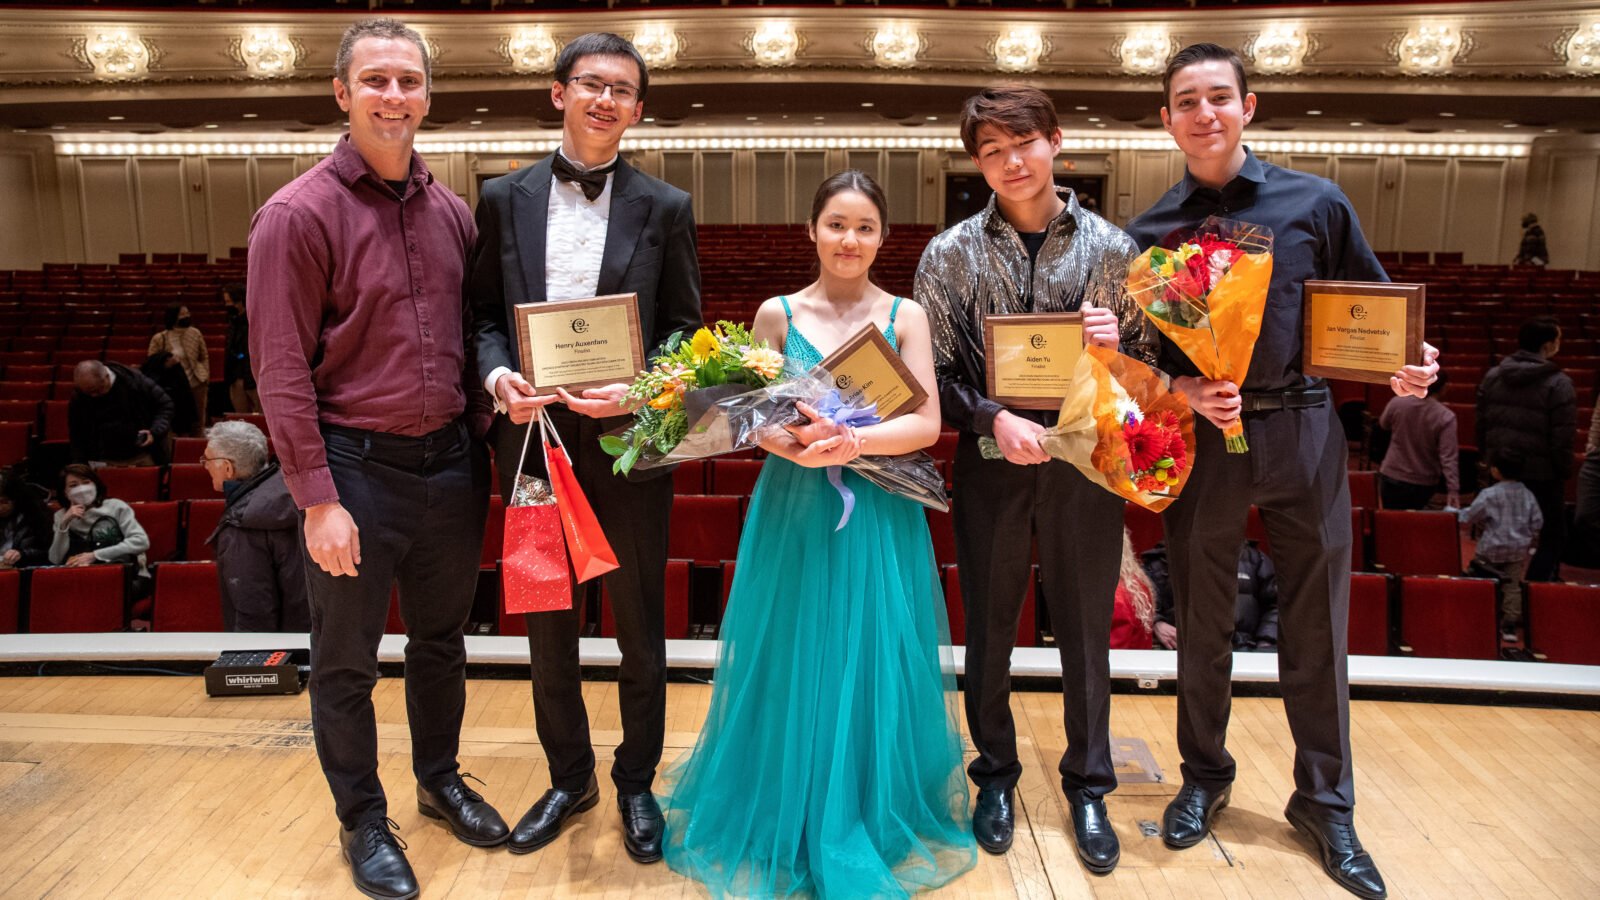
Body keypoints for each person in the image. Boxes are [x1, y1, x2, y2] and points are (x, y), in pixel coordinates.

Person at [1124, 43, 1439, 900]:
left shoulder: (1316, 201)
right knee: (1203, 621)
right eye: (1185, 101)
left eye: (1218, 97)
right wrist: (1185, 388)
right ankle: (1205, 776)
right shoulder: (1151, 233)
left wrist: (1404, 366)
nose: (1204, 113)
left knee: (1317, 626)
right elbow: (1142, 364)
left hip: (1302, 431)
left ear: (1249, 106)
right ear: (1166, 120)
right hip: (1206, 448)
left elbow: (1368, 312)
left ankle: (1325, 804)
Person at [660, 171, 976, 897]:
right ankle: (788, 804)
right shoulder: (777, 313)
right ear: (812, 230)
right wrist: (797, 446)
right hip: (796, 506)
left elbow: (926, 424)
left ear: (882, 238)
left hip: (880, 508)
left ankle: (865, 802)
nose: (849, 240)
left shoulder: (905, 314)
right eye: (836, 224)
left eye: (865, 227)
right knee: (795, 648)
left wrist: (854, 446)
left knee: (869, 651)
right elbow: (751, 416)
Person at [247, 18, 503, 900]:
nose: (395, 97)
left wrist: (492, 415)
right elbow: (280, 370)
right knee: (348, 657)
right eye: (377, 81)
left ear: (428, 95)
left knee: (441, 643)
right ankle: (362, 818)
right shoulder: (296, 214)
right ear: (342, 93)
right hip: (354, 470)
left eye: (410, 81)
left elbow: (472, 340)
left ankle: (437, 780)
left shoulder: (452, 212)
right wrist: (317, 497)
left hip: (449, 466)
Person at [466, 32, 700, 864]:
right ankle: (571, 777)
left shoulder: (666, 207)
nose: (607, 100)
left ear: (639, 110)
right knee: (546, 619)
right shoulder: (500, 198)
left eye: (624, 90)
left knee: (639, 622)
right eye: (591, 84)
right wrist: (499, 383)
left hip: (629, 442)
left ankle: (636, 777)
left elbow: (684, 332)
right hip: (529, 444)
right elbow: (485, 319)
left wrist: (639, 391)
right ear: (558, 92)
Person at [917, 84, 1157, 875]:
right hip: (991, 464)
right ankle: (994, 774)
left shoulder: (1116, 251)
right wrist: (993, 419)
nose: (1009, 161)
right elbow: (936, 374)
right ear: (976, 162)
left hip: (1085, 468)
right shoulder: (947, 255)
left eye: (1022, 143)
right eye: (990, 150)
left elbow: (1148, 375)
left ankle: (1089, 783)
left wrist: (1118, 342)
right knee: (989, 627)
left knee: (1088, 629)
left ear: (1056, 142)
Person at [1476, 316, 1574, 582]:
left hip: (1502, 468)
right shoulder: (1559, 383)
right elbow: (1562, 436)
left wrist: (1489, 460)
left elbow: (1482, 424)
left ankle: (1497, 590)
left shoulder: (1494, 375)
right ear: (1548, 344)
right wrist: (1563, 471)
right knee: (1554, 534)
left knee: (1498, 530)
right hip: (1542, 473)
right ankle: (1533, 590)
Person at [201, 420, 309, 632]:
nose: (205, 465)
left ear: (227, 468)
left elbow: (254, 610)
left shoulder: (242, 522)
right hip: (315, 641)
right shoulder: (291, 496)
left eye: (208, 459)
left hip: (277, 653)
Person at [48, 464, 152, 626]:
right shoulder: (60, 516)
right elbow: (55, 559)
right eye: (73, 486)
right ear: (65, 492)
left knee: (94, 598)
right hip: (83, 578)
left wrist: (95, 556)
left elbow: (140, 541)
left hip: (128, 576)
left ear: (95, 484)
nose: (81, 489)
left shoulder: (116, 506)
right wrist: (64, 524)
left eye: (86, 482)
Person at [1460, 450, 1543, 643]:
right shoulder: (1528, 494)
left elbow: (1472, 515)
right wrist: (1529, 538)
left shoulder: (1490, 494)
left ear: (1495, 471)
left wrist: (1455, 514)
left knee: (1480, 580)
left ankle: (1477, 616)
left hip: (1490, 549)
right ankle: (1510, 625)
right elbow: (1537, 521)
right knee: (1512, 587)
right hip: (1516, 550)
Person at [1145, 539, 1280, 652]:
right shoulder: (1162, 559)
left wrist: (1265, 643)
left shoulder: (1254, 559)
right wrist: (1157, 624)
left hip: (1245, 651)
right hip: (1182, 655)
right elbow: (1141, 603)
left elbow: (1277, 604)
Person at [1376, 370, 1459, 510]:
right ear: (1444, 388)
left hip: (1392, 473)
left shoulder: (1397, 402)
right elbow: (1448, 458)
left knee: (1390, 524)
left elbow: (1383, 424)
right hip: (1424, 481)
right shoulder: (1445, 416)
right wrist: (1453, 490)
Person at [68, 359, 174, 467]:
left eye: (97, 390)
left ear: (106, 377)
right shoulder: (80, 395)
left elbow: (165, 405)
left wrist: (155, 432)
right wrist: (79, 463)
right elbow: (77, 432)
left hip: (142, 455)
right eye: (88, 393)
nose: (93, 396)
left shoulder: (135, 381)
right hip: (102, 460)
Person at [147, 302, 211, 434]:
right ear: (173, 316)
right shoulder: (160, 338)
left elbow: (204, 356)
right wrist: (166, 364)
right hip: (175, 386)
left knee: (198, 421)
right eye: (182, 314)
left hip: (196, 382)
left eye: (187, 313)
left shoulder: (195, 333)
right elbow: (151, 363)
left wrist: (204, 374)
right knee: (178, 421)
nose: (186, 316)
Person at [1110, 526, 1156, 650]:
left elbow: (1115, 652)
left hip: (1122, 665)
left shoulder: (1114, 595)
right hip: (1139, 663)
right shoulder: (1136, 582)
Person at [221, 282, 262, 415]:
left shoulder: (255, 320)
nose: (228, 305)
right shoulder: (233, 321)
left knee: (261, 415)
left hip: (253, 376)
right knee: (241, 417)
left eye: (229, 301)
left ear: (240, 300)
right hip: (236, 376)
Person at [0, 468, 52, 570]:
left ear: (16, 498)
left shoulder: (36, 515)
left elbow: (49, 553)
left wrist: (22, 554)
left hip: (25, 570)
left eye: (4, 501)